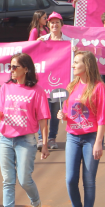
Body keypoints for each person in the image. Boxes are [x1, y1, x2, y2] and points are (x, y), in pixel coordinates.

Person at [0, 53, 50, 207]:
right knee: (8, 179)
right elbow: (2, 115)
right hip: (4, 138)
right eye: (10, 67)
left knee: (24, 179)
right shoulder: (6, 88)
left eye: (16, 67)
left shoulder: (37, 91)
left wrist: (44, 144)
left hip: (26, 139)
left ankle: (36, 203)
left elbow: (44, 120)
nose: (12, 70)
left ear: (26, 69)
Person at [57, 51, 105, 207]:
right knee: (71, 179)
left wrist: (98, 142)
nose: (73, 65)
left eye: (76, 62)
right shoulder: (71, 85)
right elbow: (67, 109)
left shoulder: (99, 87)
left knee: (88, 180)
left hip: (90, 138)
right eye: (73, 62)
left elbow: (103, 117)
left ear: (86, 65)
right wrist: (62, 115)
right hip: (72, 137)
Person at [37, 12, 71, 149]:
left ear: (62, 25)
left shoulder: (69, 41)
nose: (54, 25)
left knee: (56, 111)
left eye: (57, 22)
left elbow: (76, 58)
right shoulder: (42, 40)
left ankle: (52, 138)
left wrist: (75, 50)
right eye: (52, 22)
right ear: (48, 25)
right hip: (43, 83)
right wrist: (36, 44)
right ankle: (41, 139)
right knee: (43, 112)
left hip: (60, 84)